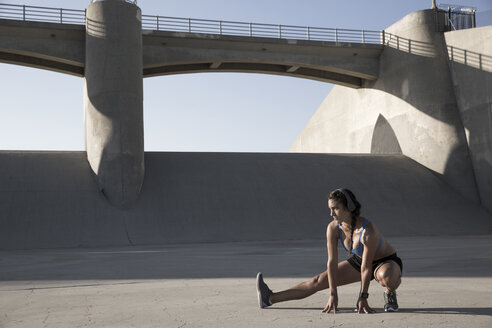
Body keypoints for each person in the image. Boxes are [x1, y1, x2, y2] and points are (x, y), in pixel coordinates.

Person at [256, 188, 403, 313]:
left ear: (349, 207)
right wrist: (333, 294)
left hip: (385, 261)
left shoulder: (367, 230)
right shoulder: (333, 228)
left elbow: (367, 267)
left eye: (335, 208)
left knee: (387, 277)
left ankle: (390, 292)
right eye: (330, 209)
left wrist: (363, 296)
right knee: (317, 281)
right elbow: (332, 262)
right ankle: (269, 298)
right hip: (360, 260)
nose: (331, 213)